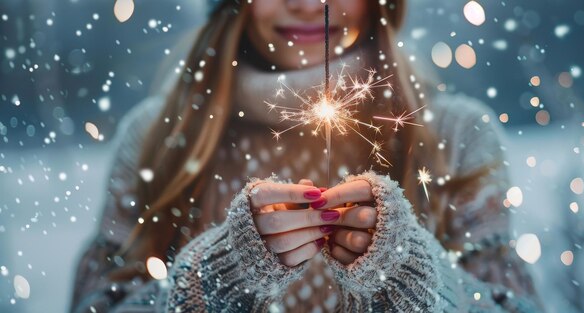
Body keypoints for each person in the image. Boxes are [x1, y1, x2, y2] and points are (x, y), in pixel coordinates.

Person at [71, 1, 542, 312]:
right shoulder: (158, 135)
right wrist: (214, 283)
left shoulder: (455, 135)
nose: (308, 3)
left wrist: (413, 277)